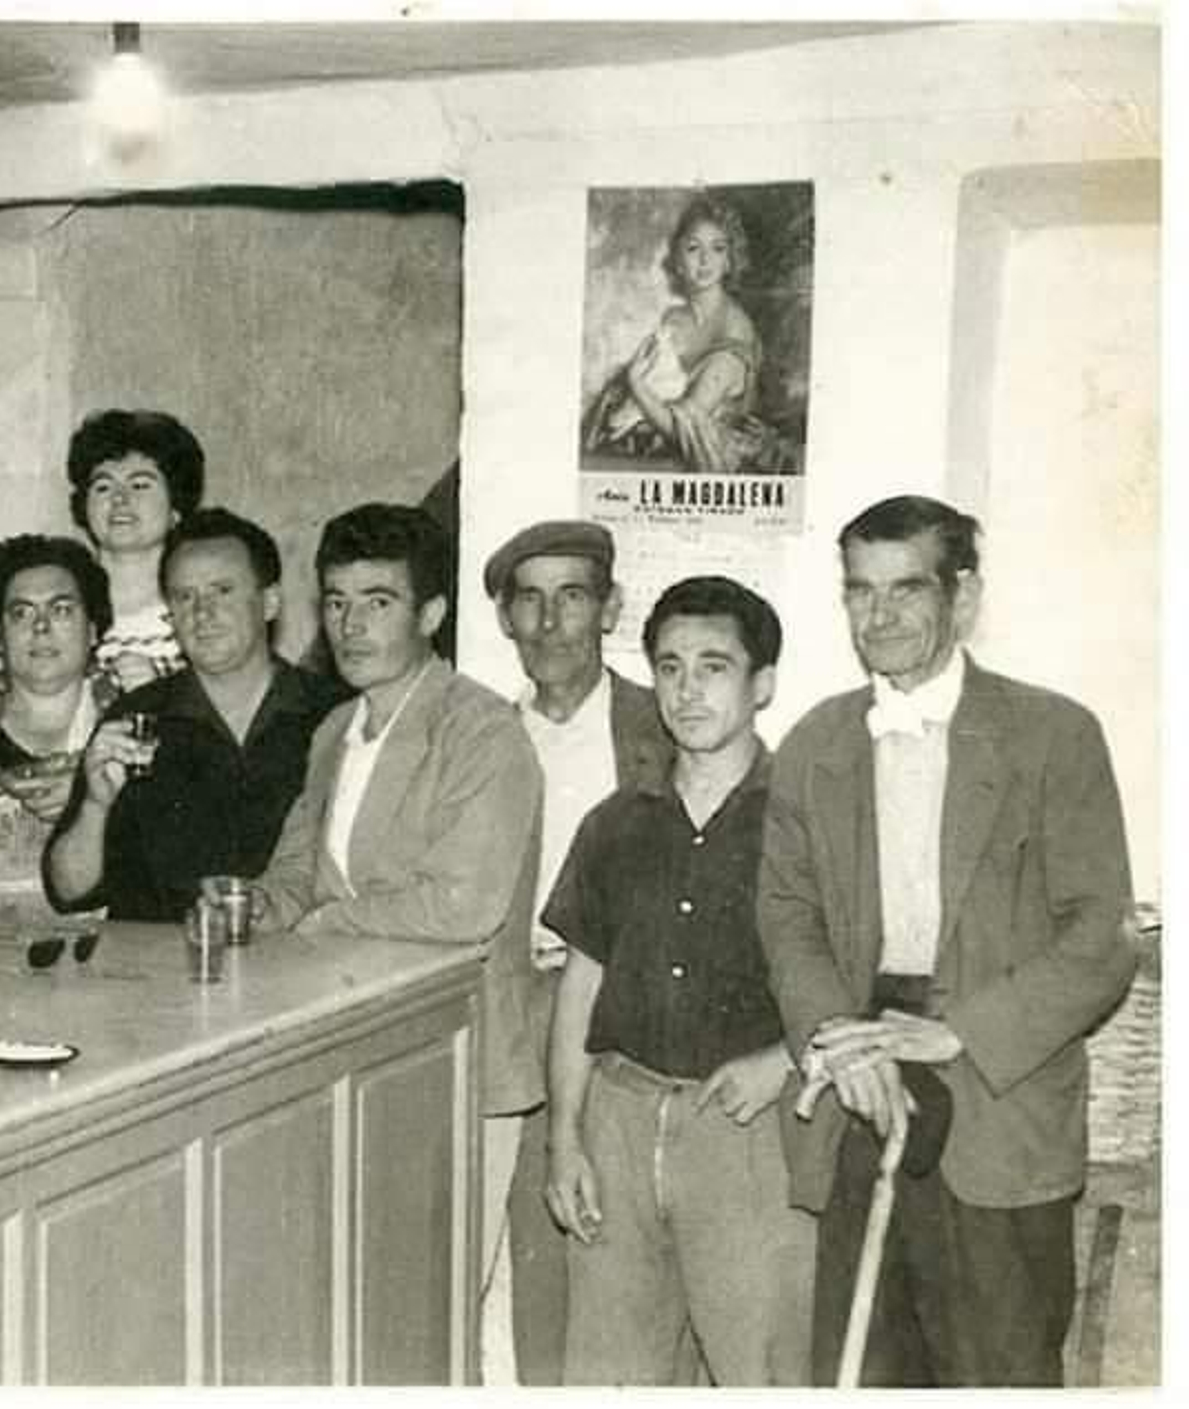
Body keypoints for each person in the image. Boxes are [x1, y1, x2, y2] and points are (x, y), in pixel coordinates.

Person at [757, 495, 1136, 1386]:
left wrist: (961, 1029)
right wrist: (835, 1040)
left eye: (905, 590)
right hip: (862, 1082)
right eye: (859, 592)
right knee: (865, 1368)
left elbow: (1103, 935)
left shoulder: (1055, 734)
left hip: (994, 1100)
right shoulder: (815, 742)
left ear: (963, 599)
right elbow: (786, 911)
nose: (878, 615)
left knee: (997, 1371)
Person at [256, 502, 543, 1382]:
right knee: (352, 1301)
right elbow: (297, 873)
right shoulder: (333, 732)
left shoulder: (483, 729)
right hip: (350, 1055)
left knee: (434, 1309)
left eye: (378, 601)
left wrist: (322, 922)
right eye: (336, 601)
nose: (351, 624)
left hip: (461, 1060)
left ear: (431, 613)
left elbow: (464, 903)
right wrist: (244, 912)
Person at [543, 576, 813, 1385]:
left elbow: (853, 977)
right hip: (620, 1119)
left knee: (762, 1366)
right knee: (610, 1374)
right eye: (669, 667)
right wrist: (565, 1138)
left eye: (714, 666)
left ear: (762, 683)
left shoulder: (806, 821)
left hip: (745, 1132)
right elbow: (579, 989)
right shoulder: (616, 823)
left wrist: (788, 1060)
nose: (687, 689)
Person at [481, 518, 671, 1386]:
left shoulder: (661, 724)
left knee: (645, 1258)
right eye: (529, 599)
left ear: (609, 609)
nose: (550, 622)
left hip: (635, 1022)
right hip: (520, 1015)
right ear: (504, 618)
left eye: (572, 598)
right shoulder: (479, 735)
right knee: (543, 1249)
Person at [45, 507, 345, 922]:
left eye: (222, 591)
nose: (202, 613)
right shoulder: (137, 717)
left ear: (269, 602)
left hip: (299, 967)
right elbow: (67, 891)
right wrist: (96, 804)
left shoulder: (335, 713)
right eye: (184, 597)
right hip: (159, 972)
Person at [0, 409, 205, 708]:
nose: (119, 499)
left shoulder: (199, 614)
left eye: (140, 484)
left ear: (176, 506)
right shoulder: (40, 604)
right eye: (103, 486)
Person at [0, 534, 119, 928]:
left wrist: (94, 804)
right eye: (21, 613)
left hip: (113, 969)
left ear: (93, 628)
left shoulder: (134, 732)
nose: (41, 628)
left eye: (61, 610)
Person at [581, 192, 767, 475]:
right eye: (693, 248)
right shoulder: (674, 317)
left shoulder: (733, 332)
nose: (705, 260)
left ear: (730, 260)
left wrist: (636, 384)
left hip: (704, 458)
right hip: (650, 446)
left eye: (717, 248)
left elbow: (685, 429)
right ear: (678, 259)